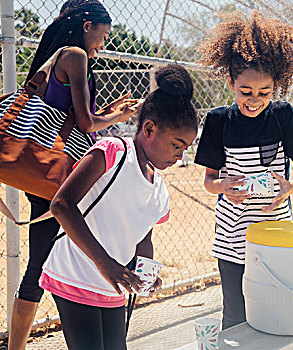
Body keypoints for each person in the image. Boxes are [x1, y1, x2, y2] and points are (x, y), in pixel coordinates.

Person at [39, 63, 198, 349]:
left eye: (185, 148)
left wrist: (144, 273)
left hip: (112, 285)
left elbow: (144, 237)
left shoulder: (159, 187)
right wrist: (106, 263)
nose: (180, 155)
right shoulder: (113, 152)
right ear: (149, 128)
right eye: (176, 145)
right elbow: (62, 205)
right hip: (75, 274)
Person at [9, 1, 138, 348]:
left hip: (43, 173)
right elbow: (84, 123)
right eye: (103, 35)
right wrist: (113, 119)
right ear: (86, 25)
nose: (103, 43)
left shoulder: (56, 57)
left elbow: (67, 113)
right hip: (63, 179)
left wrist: (108, 113)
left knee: (39, 265)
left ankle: (16, 347)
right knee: (61, 263)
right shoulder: (76, 56)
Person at [195, 10, 293, 329]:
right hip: (232, 235)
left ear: (276, 85)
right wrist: (222, 187)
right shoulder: (218, 121)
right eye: (245, 92)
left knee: (274, 312)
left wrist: (291, 187)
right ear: (231, 81)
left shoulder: (283, 115)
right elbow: (208, 181)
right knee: (235, 315)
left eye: (264, 93)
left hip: (274, 233)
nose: (254, 100)